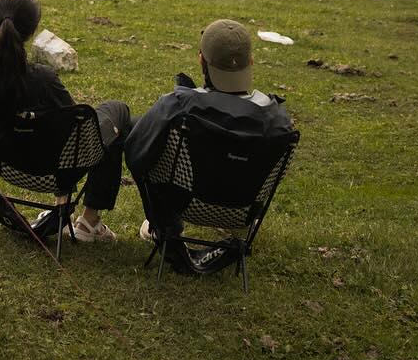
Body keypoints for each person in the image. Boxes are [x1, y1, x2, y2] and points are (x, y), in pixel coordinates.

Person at [124, 18, 294, 274]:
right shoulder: (279, 121)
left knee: (143, 134)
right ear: (250, 62)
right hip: (242, 211)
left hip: (182, 202)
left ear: (201, 60)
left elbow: (135, 155)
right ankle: (236, 234)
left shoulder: (178, 105)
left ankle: (165, 228)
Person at [0, 0, 131, 244]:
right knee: (118, 111)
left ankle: (70, 211)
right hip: (54, 170)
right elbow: (78, 132)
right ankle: (89, 220)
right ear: (32, 31)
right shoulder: (43, 79)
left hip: (5, 164)